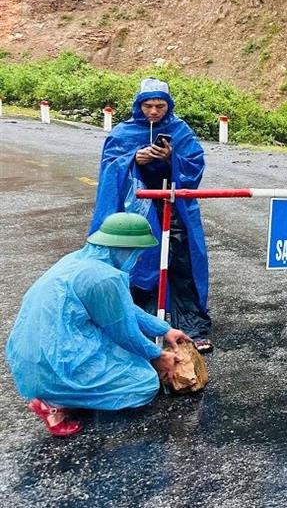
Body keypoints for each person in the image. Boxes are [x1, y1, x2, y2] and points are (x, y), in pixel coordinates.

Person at [5, 213, 191, 437]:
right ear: (123, 248)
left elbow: (123, 309)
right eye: (137, 252)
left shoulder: (77, 260)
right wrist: (157, 355)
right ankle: (56, 404)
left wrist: (163, 329)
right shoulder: (105, 278)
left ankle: (60, 394)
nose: (138, 258)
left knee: (124, 355)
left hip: (30, 360)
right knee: (144, 383)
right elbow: (125, 333)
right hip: (57, 362)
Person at [88, 77, 213, 352]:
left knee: (183, 265)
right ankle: (137, 328)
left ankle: (192, 327)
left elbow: (194, 167)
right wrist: (134, 159)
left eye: (159, 106)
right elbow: (109, 168)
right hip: (136, 209)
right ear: (138, 105)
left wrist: (170, 159)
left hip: (173, 206)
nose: (154, 112)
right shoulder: (123, 133)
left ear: (168, 106)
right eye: (148, 106)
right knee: (138, 264)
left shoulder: (181, 131)